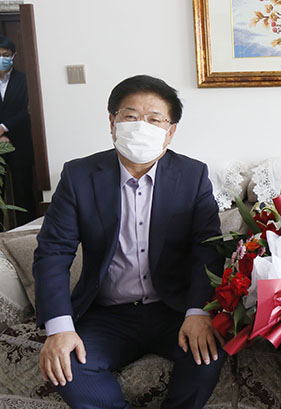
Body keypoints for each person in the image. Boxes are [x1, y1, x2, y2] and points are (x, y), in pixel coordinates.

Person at [32, 75, 227, 409]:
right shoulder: (79, 176)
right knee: (67, 369)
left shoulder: (192, 176)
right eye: (131, 116)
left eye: (154, 119)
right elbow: (53, 252)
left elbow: (207, 248)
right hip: (107, 314)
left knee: (208, 356)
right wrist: (59, 327)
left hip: (172, 309)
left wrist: (198, 311)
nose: (141, 127)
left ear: (170, 131)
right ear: (112, 123)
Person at [0, 35, 36, 227]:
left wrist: (3, 128)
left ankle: (26, 230)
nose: (2, 59)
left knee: (23, 191)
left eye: (5, 55)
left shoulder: (24, 80)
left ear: (14, 55)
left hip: (20, 142)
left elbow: (28, 110)